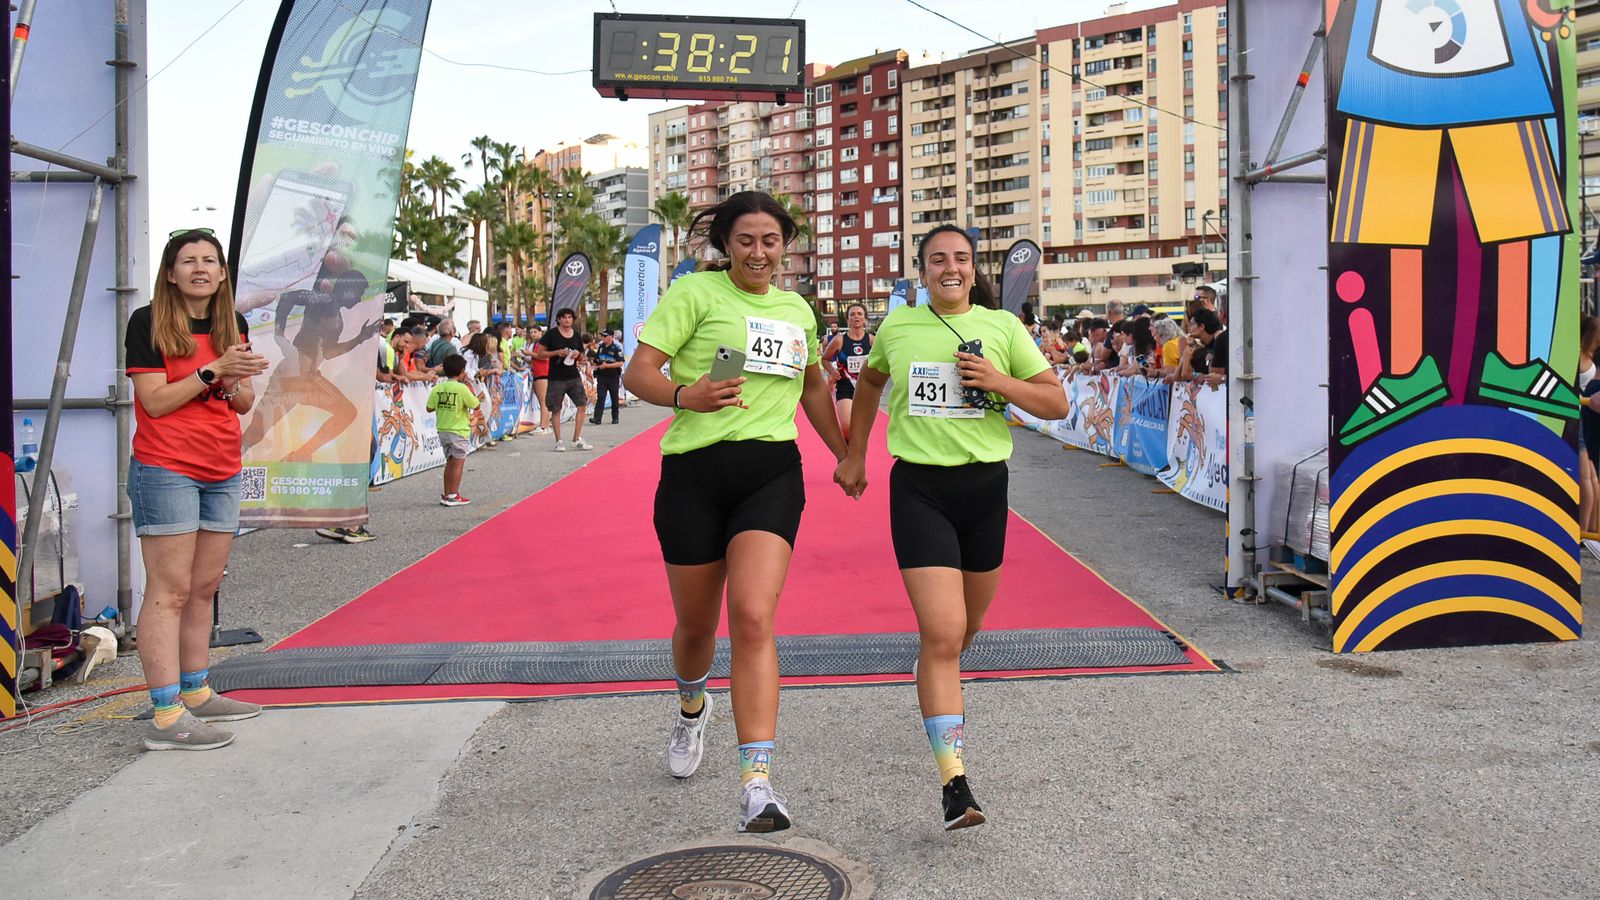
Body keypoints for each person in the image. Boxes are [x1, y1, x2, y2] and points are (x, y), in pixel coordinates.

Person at [623, 190, 848, 833]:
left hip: (771, 475)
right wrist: (683, 395)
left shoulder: (796, 309)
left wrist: (846, 453)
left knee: (752, 617)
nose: (758, 252)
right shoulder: (694, 295)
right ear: (726, 245)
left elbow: (811, 386)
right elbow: (641, 372)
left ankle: (757, 781)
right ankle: (692, 709)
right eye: (745, 240)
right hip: (693, 475)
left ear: (786, 246)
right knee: (696, 628)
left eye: (770, 240)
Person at [833, 224, 1069, 830]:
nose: (951, 268)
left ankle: (938, 684)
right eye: (938, 259)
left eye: (961, 259)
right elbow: (869, 384)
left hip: (985, 489)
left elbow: (1056, 403)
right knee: (942, 632)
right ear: (922, 270)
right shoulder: (899, 326)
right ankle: (954, 783)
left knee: (964, 631)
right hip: (920, 487)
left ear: (973, 268)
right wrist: (856, 454)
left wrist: (1000, 383)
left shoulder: (1002, 328)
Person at [125, 229, 270, 750]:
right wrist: (214, 370)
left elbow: (245, 401)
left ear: (223, 273)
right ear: (170, 273)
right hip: (166, 467)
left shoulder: (235, 324)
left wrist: (233, 380)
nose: (200, 268)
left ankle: (197, 690)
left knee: (204, 587)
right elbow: (157, 402)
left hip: (221, 467)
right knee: (170, 590)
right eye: (188, 261)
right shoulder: (148, 322)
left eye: (210, 260)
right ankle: (166, 715)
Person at [241, 272, 381, 462]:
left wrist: (359, 339)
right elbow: (288, 297)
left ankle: (299, 455)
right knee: (259, 428)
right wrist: (279, 335)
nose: (358, 299)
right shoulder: (323, 299)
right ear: (348, 289)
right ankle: (231, 464)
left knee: (346, 412)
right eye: (358, 293)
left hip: (305, 377)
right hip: (293, 373)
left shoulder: (337, 317)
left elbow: (330, 352)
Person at [534, 308, 592, 451]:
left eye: (570, 317)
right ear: (559, 319)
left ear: (573, 319)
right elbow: (540, 354)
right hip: (556, 377)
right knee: (556, 409)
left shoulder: (576, 335)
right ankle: (559, 441)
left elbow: (582, 356)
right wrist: (557, 353)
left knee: (582, 405)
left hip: (573, 375)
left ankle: (577, 438)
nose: (567, 320)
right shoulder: (551, 334)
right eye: (564, 317)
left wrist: (578, 355)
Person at [428, 354, 480, 507]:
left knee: (449, 462)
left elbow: (429, 407)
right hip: (458, 429)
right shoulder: (462, 388)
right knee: (458, 463)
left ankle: (446, 493)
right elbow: (475, 404)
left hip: (443, 428)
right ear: (462, 371)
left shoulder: (438, 387)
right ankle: (453, 494)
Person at [821, 301, 873, 440]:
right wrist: (832, 372)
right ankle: (846, 453)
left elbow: (882, 362)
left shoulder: (872, 340)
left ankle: (858, 458)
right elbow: (824, 359)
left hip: (866, 390)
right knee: (847, 426)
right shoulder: (839, 340)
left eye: (860, 314)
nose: (856, 317)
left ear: (865, 318)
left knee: (862, 433)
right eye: (852, 314)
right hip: (845, 387)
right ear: (848, 319)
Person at [589, 329, 627, 425]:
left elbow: (620, 363)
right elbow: (597, 359)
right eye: (602, 336)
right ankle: (597, 418)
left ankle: (615, 417)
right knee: (601, 397)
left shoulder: (616, 348)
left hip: (613, 376)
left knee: (614, 397)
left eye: (605, 336)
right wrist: (595, 362)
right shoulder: (601, 347)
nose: (603, 338)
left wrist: (607, 365)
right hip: (602, 376)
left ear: (611, 337)